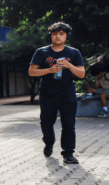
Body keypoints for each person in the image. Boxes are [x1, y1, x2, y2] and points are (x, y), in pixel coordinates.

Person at [29, 22, 85, 163]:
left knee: (68, 123)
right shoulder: (42, 52)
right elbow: (31, 71)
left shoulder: (73, 52)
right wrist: (49, 70)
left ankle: (68, 153)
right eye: (54, 34)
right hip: (48, 92)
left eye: (61, 34)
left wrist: (69, 65)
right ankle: (49, 142)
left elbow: (81, 74)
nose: (58, 37)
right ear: (51, 36)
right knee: (46, 122)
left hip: (67, 92)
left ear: (66, 36)